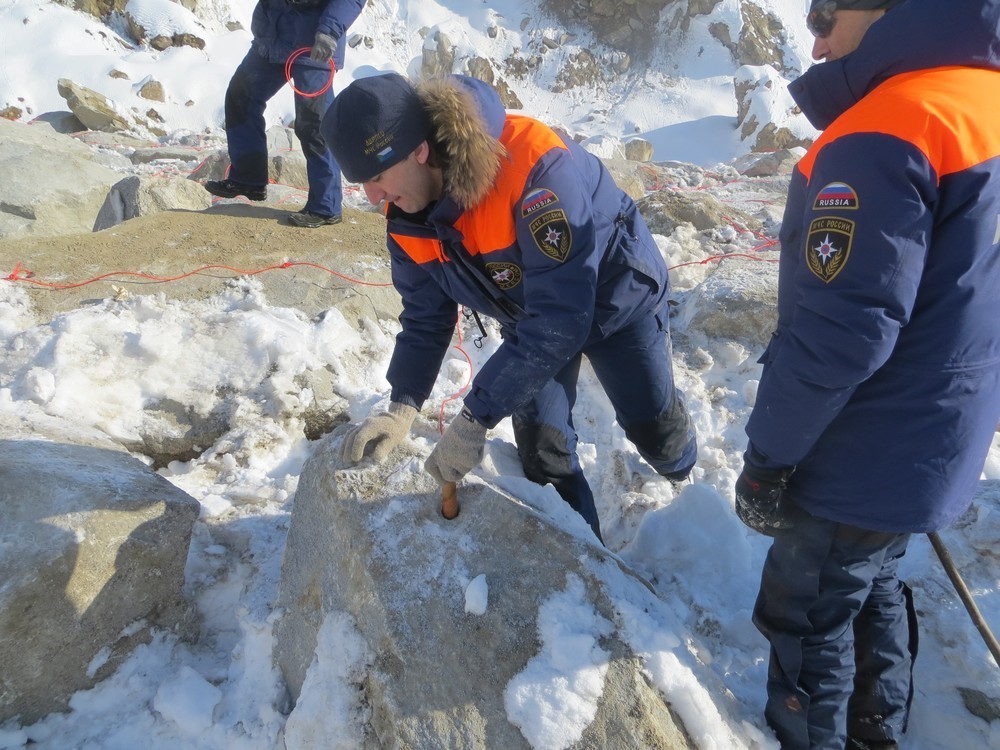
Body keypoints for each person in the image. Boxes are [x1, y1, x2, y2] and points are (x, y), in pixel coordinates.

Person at [734, 0, 1000, 748]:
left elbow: (842, 335)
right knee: (872, 575)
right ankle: (875, 731)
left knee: (810, 604)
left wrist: (768, 458)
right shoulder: (981, 97)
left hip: (864, 441)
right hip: (935, 430)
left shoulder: (887, 125)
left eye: (824, 17)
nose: (813, 45)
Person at [325, 72, 698, 543]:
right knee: (544, 452)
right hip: (531, 322)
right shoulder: (406, 215)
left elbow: (563, 317)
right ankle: (588, 572)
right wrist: (402, 405)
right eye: (362, 183)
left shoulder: (536, 171)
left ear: (419, 150)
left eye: (377, 178)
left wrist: (475, 417)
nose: (373, 197)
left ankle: (685, 480)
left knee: (655, 431)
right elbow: (425, 316)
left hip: (617, 302)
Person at [204, 0, 364, 228]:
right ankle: (248, 180)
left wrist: (329, 31)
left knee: (314, 123)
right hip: (273, 35)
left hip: (314, 41)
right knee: (242, 95)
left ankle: (326, 207)